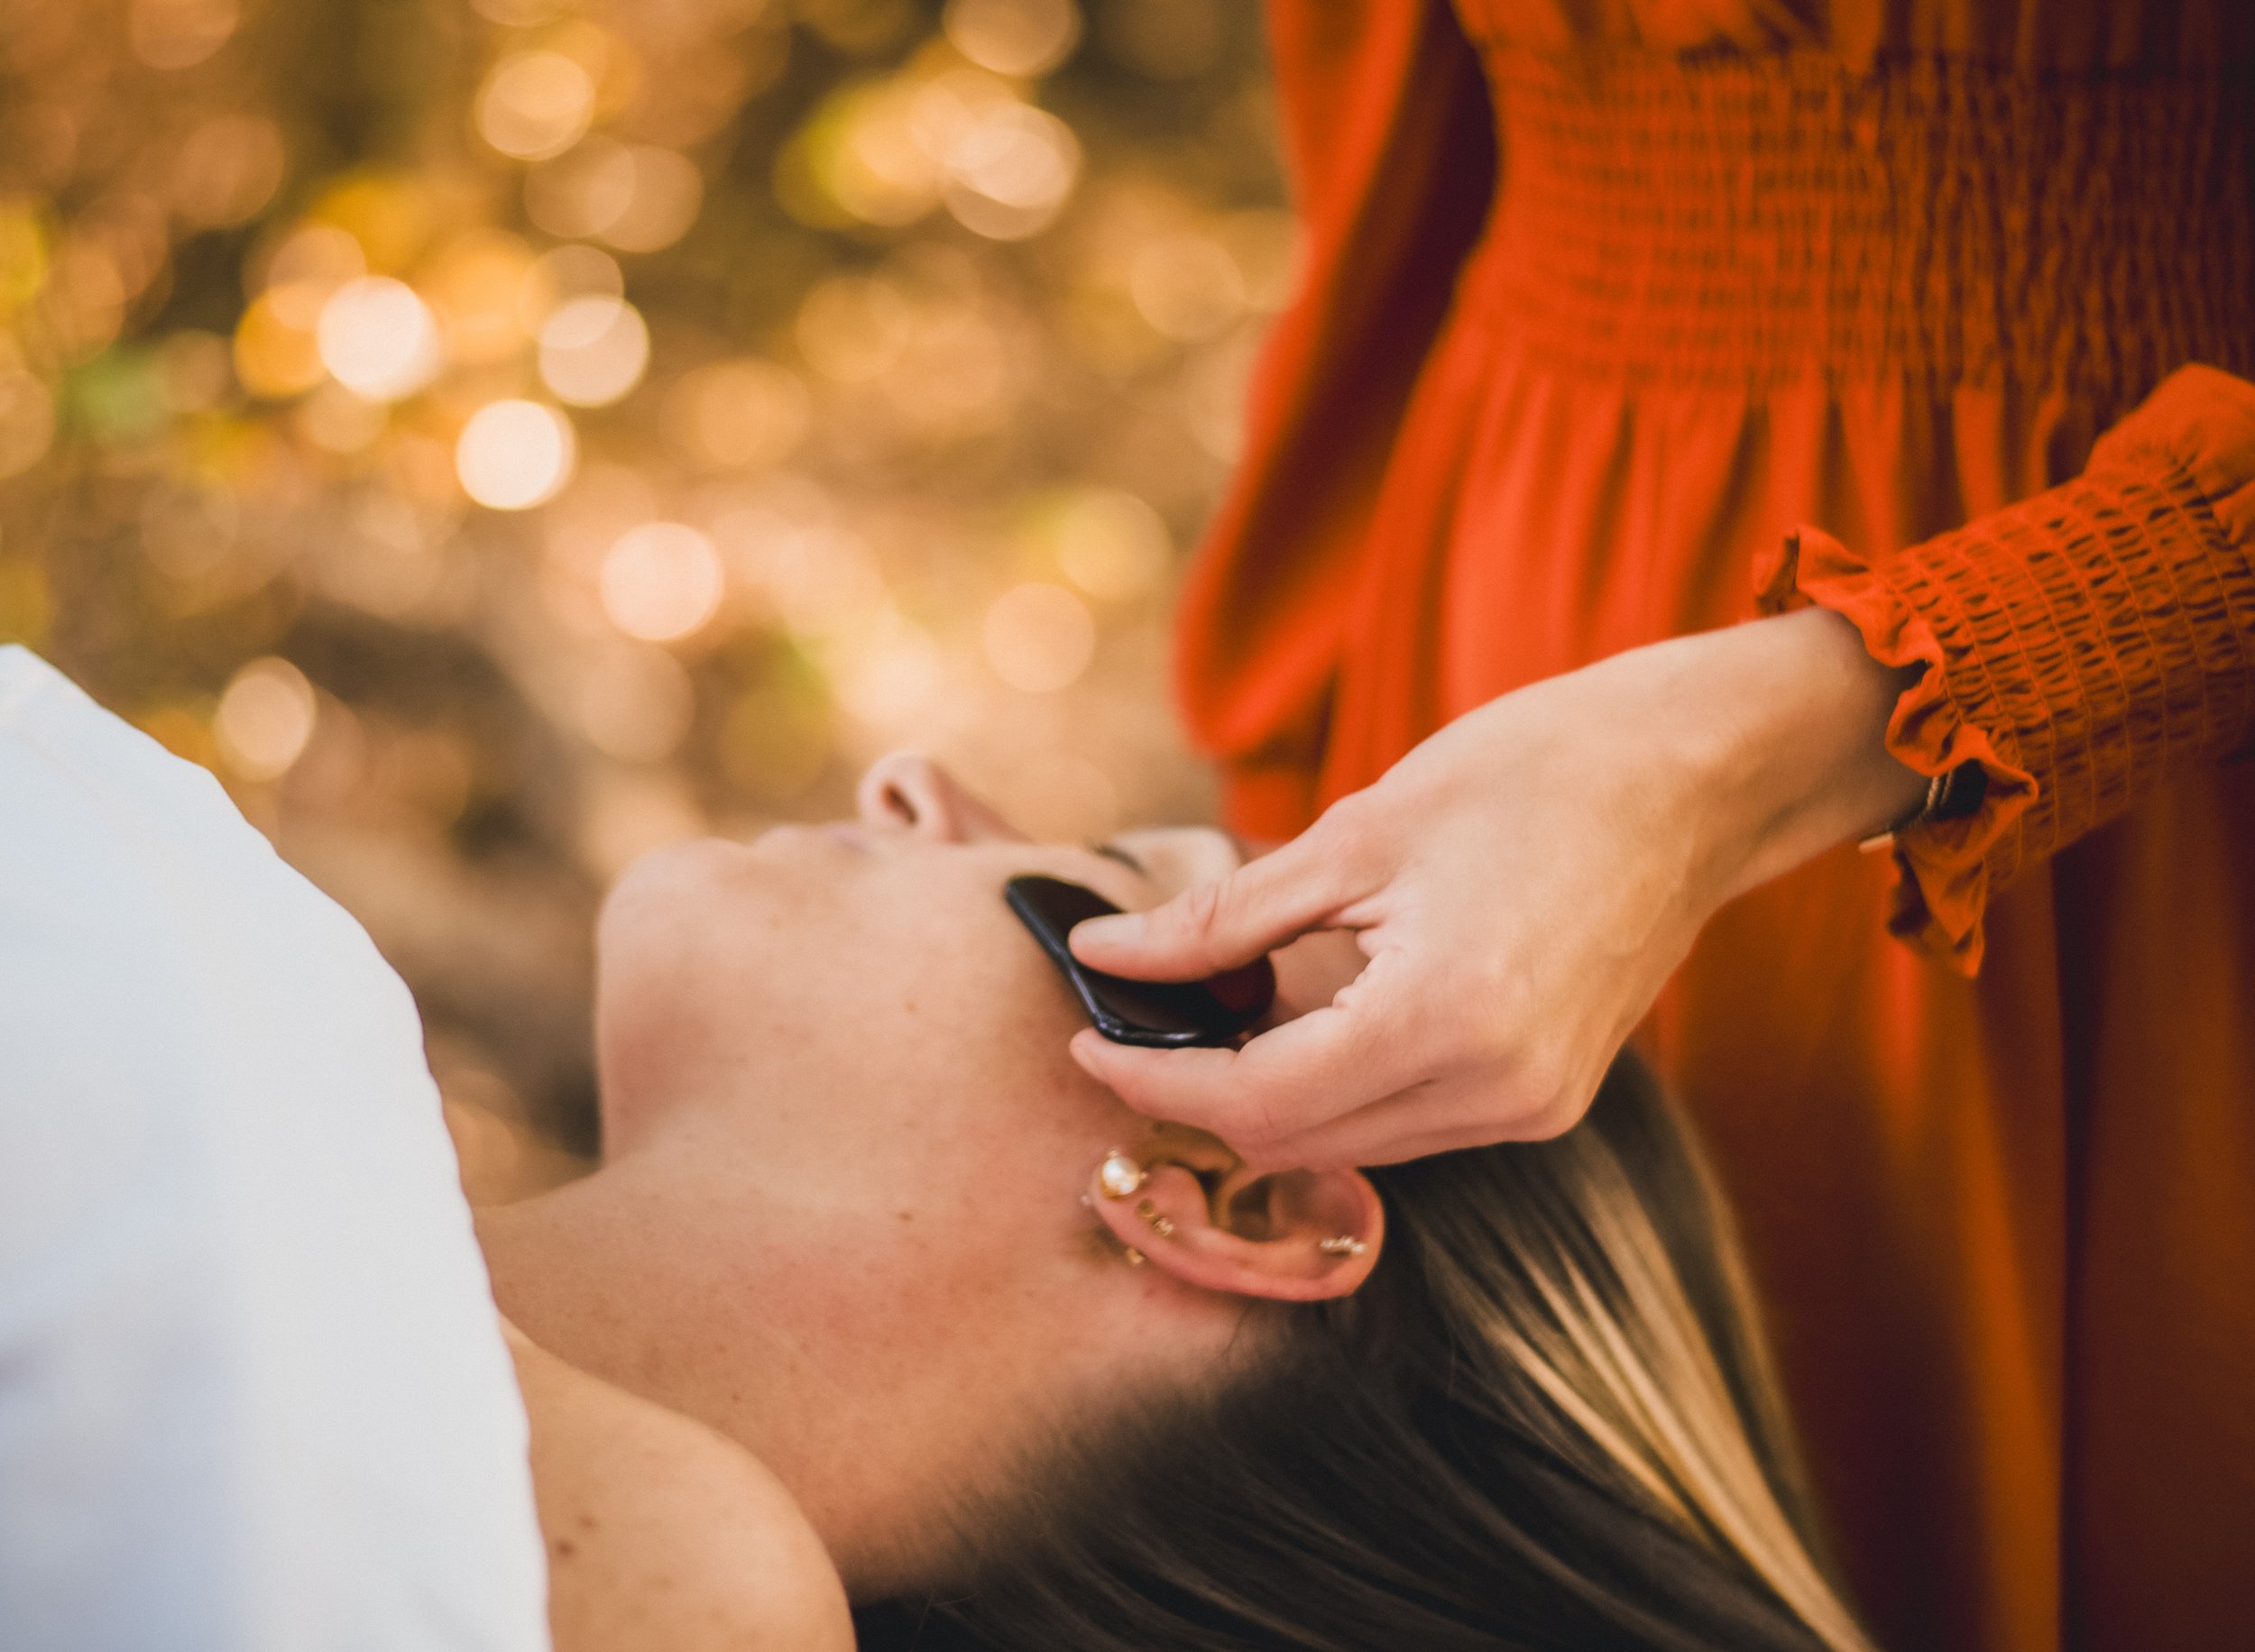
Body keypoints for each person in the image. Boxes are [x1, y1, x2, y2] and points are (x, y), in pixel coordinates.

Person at [1057, 7, 2255, 1651]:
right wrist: (1296, 781)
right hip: (1489, 649)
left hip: (2152, 796)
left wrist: (1835, 721)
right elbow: (1393, 191)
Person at [0, 652, 1871, 1650]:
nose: (914, 784)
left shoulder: (664, 1598)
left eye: (1127, 884)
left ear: (1230, 1193)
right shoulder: (294, 1056)